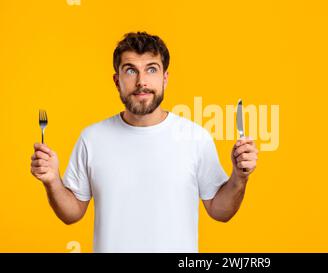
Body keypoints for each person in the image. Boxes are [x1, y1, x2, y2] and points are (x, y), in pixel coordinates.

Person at [30, 31, 258, 253]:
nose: (142, 81)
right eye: (130, 70)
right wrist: (52, 181)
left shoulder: (195, 137)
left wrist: (240, 177)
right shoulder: (92, 138)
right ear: (117, 80)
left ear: (165, 78)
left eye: (151, 69)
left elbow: (220, 211)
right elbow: (71, 214)